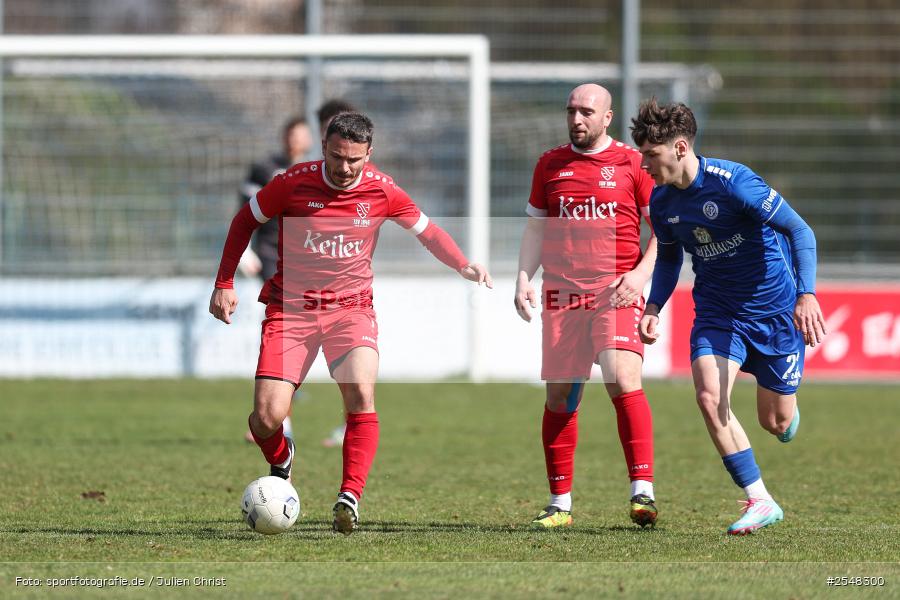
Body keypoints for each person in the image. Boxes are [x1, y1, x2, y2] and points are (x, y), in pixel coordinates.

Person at [210, 112, 492, 535]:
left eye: (354, 160)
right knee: (266, 418)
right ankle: (282, 457)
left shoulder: (383, 189)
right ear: (324, 147)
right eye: (338, 157)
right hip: (292, 310)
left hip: (351, 310)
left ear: (369, 154)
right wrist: (224, 281)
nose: (345, 168)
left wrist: (463, 264)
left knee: (361, 391)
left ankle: (349, 497)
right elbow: (244, 221)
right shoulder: (292, 183)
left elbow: (428, 231)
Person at [630, 98, 826, 535]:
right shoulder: (662, 203)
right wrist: (653, 306)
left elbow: (800, 230)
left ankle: (785, 412)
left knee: (775, 423)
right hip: (718, 312)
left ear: (680, 148)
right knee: (709, 396)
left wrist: (806, 294)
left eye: (651, 155)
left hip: (774, 313)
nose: (644, 164)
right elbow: (668, 259)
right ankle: (760, 499)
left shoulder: (735, 183)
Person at [515, 84, 659, 529]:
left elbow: (665, 235)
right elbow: (537, 230)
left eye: (586, 112)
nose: (577, 119)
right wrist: (523, 278)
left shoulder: (634, 164)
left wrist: (638, 277)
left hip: (614, 292)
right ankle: (560, 503)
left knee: (620, 376)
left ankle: (643, 493)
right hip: (562, 296)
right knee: (559, 396)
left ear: (607, 117)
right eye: (571, 111)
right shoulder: (550, 164)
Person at [238, 116, 314, 442]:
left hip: (310, 258)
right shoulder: (265, 168)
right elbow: (245, 210)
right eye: (291, 133)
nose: (295, 139)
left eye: (301, 134)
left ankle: (279, 409)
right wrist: (245, 251)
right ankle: (279, 418)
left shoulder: (320, 172)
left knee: (303, 335)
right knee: (283, 331)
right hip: (272, 252)